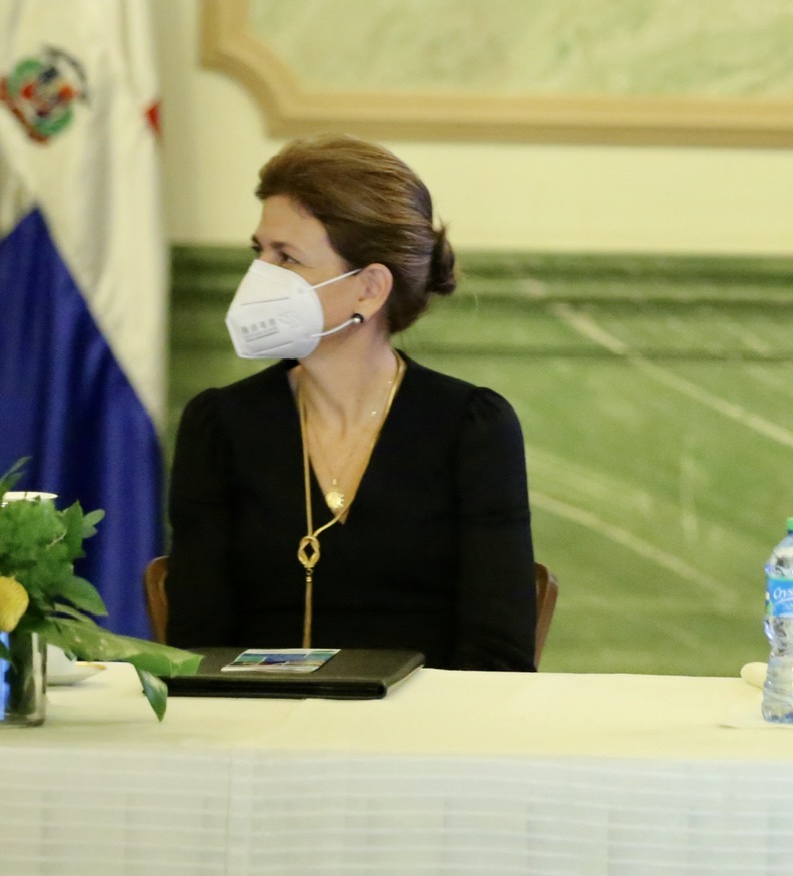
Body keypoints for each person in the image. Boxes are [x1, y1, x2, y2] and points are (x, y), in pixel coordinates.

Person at [166, 136, 536, 670]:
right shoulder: (220, 424)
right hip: (255, 718)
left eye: (286, 257)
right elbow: (197, 647)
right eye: (259, 252)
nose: (258, 278)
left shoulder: (471, 427)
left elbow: (498, 657)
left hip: (425, 719)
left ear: (369, 289)